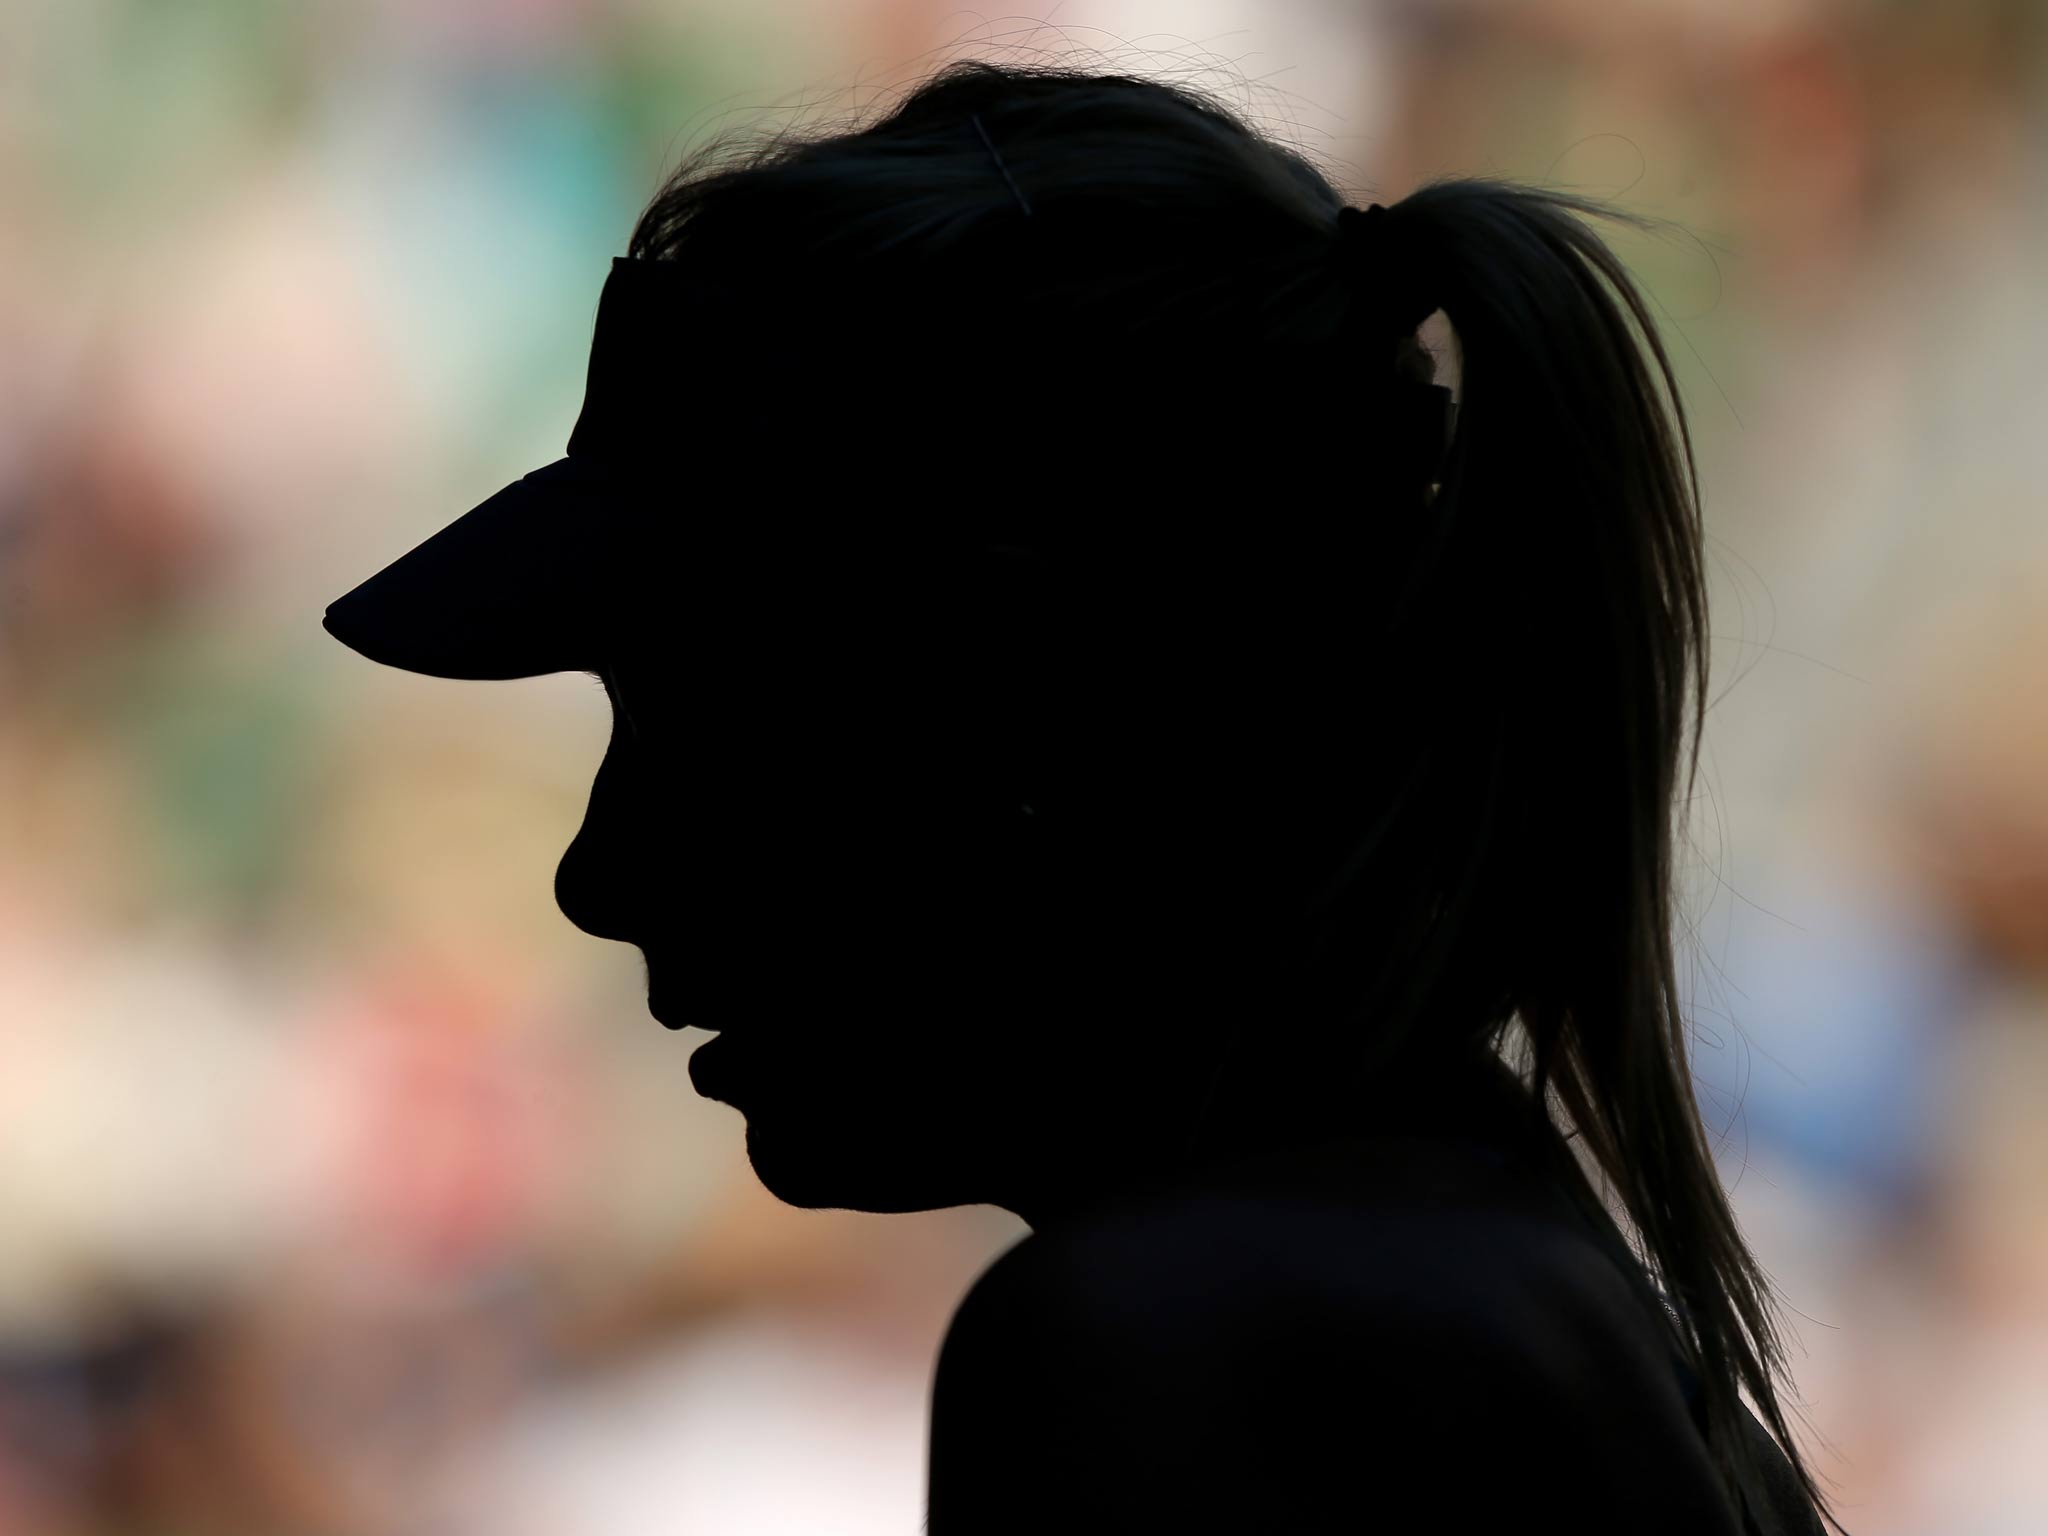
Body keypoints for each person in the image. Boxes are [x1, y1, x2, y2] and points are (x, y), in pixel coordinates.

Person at [322, 60, 1846, 1535]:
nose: (603, 874)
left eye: (696, 726)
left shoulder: (1187, 1347)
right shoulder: (1473, 1279)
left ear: (1018, 701)